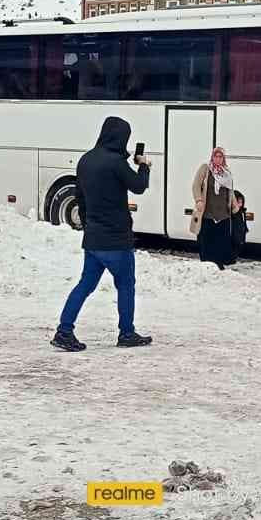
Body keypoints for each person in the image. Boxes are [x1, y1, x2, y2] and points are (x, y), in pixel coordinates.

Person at [52, 117, 153, 352]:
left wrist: (89, 226)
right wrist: (144, 165)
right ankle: (126, 333)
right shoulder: (116, 163)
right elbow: (138, 185)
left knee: (85, 285)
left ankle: (64, 330)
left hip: (94, 239)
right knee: (126, 285)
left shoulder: (85, 160)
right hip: (117, 239)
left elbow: (80, 197)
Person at [191, 147, 236, 270]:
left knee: (221, 241)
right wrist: (198, 200)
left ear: (223, 159)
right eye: (216, 156)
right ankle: (206, 264)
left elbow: (230, 191)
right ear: (212, 157)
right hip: (208, 214)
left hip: (223, 214)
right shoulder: (205, 169)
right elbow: (196, 186)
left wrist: (235, 206)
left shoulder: (226, 172)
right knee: (207, 240)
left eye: (220, 156)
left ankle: (219, 264)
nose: (218, 159)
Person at [229, 191, 249, 263]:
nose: (240, 205)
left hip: (240, 233)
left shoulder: (242, 212)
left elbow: (243, 221)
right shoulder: (231, 213)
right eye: (238, 202)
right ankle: (231, 259)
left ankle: (233, 259)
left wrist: (245, 228)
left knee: (238, 246)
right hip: (234, 234)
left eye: (241, 202)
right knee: (234, 247)